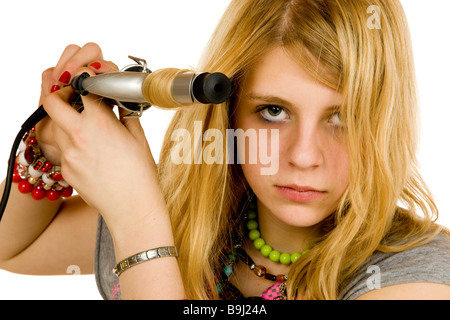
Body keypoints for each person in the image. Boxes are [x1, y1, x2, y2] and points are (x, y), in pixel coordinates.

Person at [0, 0, 449, 300]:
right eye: (274, 111)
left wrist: (137, 222)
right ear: (227, 110)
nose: (304, 156)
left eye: (342, 117)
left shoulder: (418, 278)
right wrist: (49, 151)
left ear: (385, 121)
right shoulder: (185, 221)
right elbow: (13, 248)